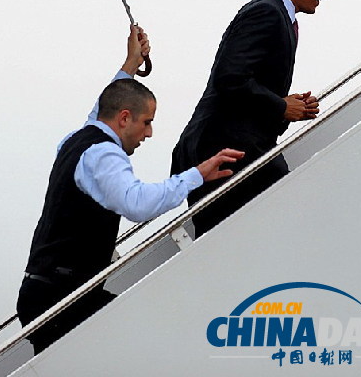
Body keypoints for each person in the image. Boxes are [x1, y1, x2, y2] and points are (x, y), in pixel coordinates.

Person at [16, 25, 244, 354]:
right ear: (125, 118)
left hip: (50, 292)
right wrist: (196, 174)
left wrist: (130, 65)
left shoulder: (77, 140)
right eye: (146, 122)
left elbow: (102, 109)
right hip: (61, 297)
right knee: (145, 341)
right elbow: (135, 203)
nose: (148, 133)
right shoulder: (103, 154)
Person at [171, 0, 328, 236]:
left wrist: (286, 107)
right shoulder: (266, 12)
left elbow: (242, 83)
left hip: (238, 147)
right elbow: (230, 78)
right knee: (284, 220)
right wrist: (281, 106)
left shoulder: (278, 15)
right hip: (224, 150)